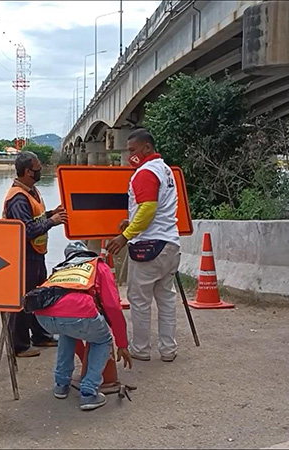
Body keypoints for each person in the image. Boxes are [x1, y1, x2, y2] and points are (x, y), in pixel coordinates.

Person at [26, 242, 132, 411]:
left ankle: (61, 384)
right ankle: (89, 393)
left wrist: (84, 358)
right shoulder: (98, 265)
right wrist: (122, 344)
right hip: (79, 311)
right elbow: (112, 306)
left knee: (67, 332)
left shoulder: (61, 269)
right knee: (102, 340)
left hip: (43, 317)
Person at [106, 129, 181, 363]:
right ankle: (168, 349)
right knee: (166, 299)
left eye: (132, 150)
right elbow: (156, 209)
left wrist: (125, 236)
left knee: (139, 301)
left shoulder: (145, 172)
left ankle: (141, 348)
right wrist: (132, 219)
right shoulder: (166, 171)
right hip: (170, 243)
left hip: (148, 247)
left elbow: (148, 208)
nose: (130, 156)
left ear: (146, 148)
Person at [3, 151, 68, 357]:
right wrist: (52, 221)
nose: (41, 170)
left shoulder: (31, 191)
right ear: (28, 172)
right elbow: (27, 229)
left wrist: (50, 214)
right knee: (24, 300)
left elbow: (36, 217)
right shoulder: (18, 198)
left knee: (39, 296)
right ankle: (20, 345)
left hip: (36, 253)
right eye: (38, 167)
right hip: (23, 256)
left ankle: (40, 335)